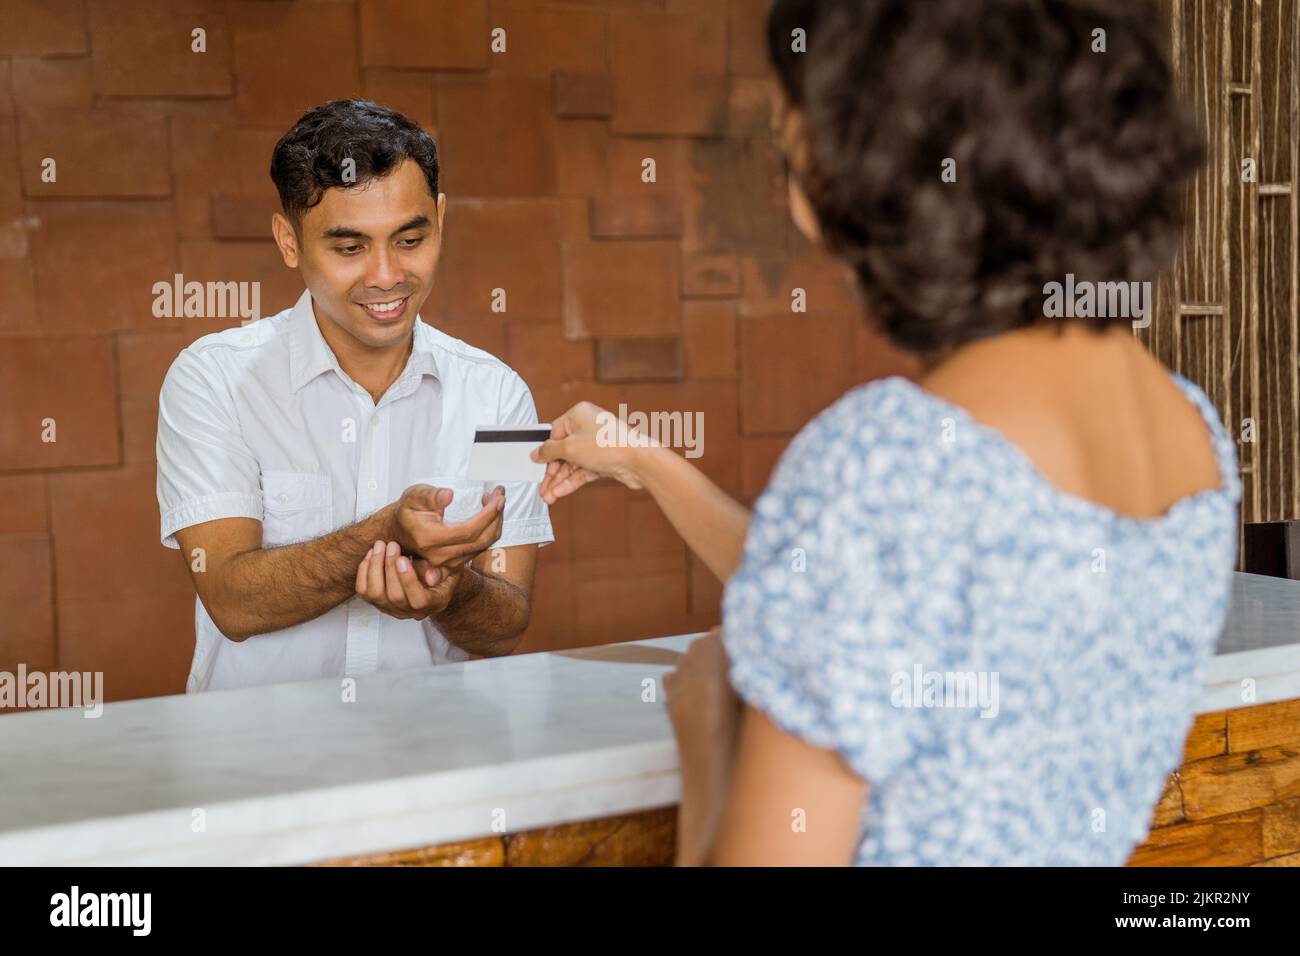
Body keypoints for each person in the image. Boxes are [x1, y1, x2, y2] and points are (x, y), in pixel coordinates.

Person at [532, 0, 1240, 865]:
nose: (797, 196)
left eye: (801, 148)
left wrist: (712, 735)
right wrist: (645, 460)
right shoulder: (1193, 432)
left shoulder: (888, 461)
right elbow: (880, 597)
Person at [156, 100, 552, 693]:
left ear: (440, 219)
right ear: (289, 242)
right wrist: (386, 533)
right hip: (255, 768)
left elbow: (507, 625)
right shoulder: (208, 380)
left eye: (410, 238)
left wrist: (451, 589)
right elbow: (232, 601)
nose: (387, 275)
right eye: (349, 248)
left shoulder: (503, 397)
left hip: (428, 762)